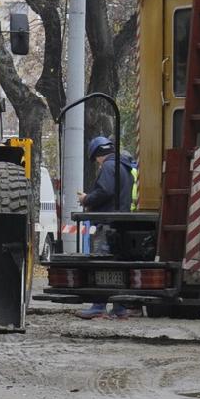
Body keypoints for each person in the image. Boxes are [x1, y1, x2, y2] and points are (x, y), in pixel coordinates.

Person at [75, 135, 136, 320]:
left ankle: (99, 306)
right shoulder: (125, 167)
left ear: (99, 154)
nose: (97, 163)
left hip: (106, 223)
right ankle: (119, 308)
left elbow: (105, 191)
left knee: (101, 265)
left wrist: (87, 199)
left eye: (95, 159)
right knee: (118, 266)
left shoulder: (109, 167)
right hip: (120, 223)